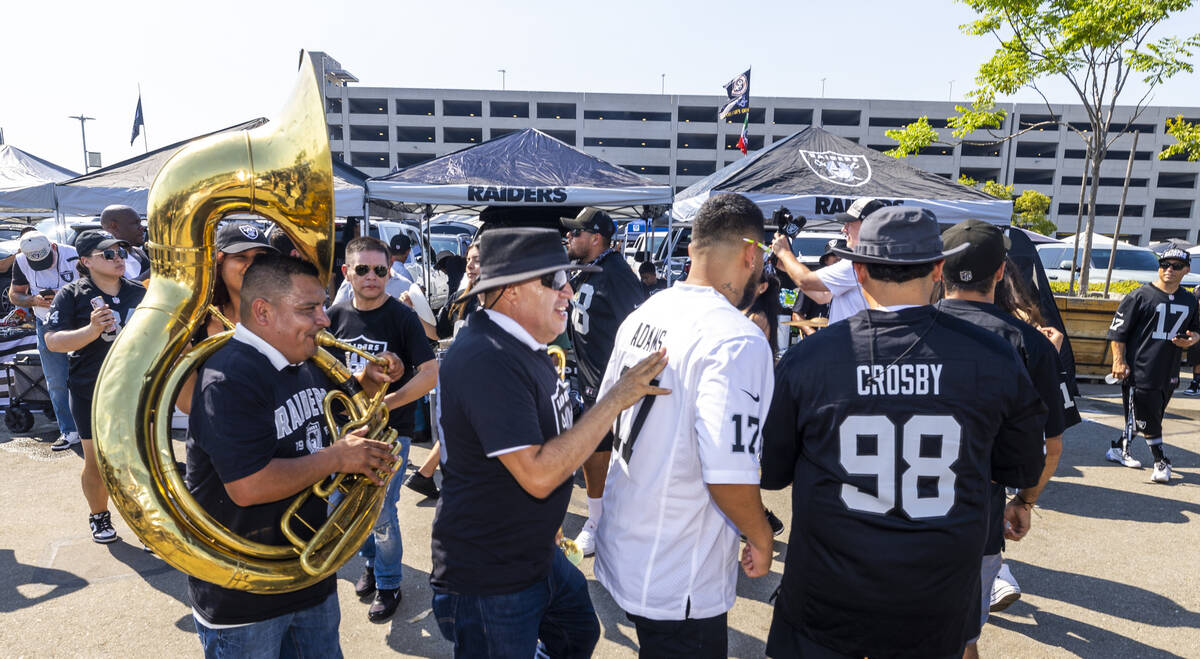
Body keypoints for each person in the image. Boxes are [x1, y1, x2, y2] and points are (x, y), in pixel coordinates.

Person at [761, 206, 1047, 659]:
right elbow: (1022, 464)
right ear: (937, 269)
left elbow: (772, 472)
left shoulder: (811, 358)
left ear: (857, 271)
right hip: (936, 596)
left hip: (827, 593)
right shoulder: (993, 355)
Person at [431, 227, 668, 658]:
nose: (569, 293)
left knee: (578, 634)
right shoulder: (488, 356)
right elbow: (539, 474)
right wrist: (615, 399)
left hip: (532, 552)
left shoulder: (523, 343)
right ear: (512, 291)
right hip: (492, 575)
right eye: (556, 280)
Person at [185, 254, 400, 657]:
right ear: (263, 312)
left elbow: (333, 418)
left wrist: (368, 385)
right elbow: (249, 486)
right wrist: (339, 460)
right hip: (245, 597)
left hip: (308, 577)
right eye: (309, 309)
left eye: (321, 306)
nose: (324, 319)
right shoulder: (228, 377)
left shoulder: (308, 360)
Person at [594, 193, 776, 657]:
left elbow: (599, 426)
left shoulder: (644, 313)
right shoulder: (735, 338)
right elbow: (728, 472)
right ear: (750, 253)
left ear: (693, 247)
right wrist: (760, 534)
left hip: (631, 544)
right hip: (680, 574)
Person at [934, 219, 1074, 657]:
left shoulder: (902, 328)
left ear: (940, 269)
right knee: (963, 640)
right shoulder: (1030, 344)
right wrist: (1025, 501)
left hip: (893, 510)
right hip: (977, 513)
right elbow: (1051, 446)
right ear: (1001, 272)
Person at [325, 237, 438, 622]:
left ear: (390, 272)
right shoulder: (335, 315)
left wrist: (386, 403)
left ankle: (390, 583)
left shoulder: (402, 317)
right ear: (347, 273)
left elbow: (430, 375)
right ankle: (371, 565)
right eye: (362, 269)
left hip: (392, 432)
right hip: (345, 434)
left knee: (381, 512)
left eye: (380, 270)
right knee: (346, 508)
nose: (372, 277)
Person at [43, 230, 146, 543]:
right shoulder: (72, 294)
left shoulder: (138, 292)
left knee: (139, 459)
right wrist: (91, 329)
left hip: (133, 388)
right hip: (91, 389)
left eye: (121, 252)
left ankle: (146, 523)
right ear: (86, 261)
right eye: (109, 254)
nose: (119, 258)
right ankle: (99, 516)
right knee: (97, 462)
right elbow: (53, 341)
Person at [563, 207, 647, 556]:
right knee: (592, 455)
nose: (568, 237)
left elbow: (641, 328)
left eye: (576, 233)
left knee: (612, 458)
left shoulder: (617, 273)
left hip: (612, 387)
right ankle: (597, 518)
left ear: (596, 238)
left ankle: (608, 522)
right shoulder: (587, 270)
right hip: (587, 383)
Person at [1105, 247, 1200, 482]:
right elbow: (1117, 332)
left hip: (1169, 368)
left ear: (1186, 270)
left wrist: (1192, 339)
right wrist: (1118, 361)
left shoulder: (1190, 299)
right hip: (1140, 368)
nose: (1169, 269)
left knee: (1147, 416)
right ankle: (1161, 461)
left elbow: (1196, 329)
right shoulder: (1139, 296)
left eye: (1176, 266)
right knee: (1147, 415)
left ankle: (1118, 449)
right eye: (1164, 264)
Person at [175, 222, 278, 415]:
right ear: (219, 264)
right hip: (220, 438)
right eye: (241, 257)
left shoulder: (288, 317)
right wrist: (181, 353)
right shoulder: (199, 322)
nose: (252, 265)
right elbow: (189, 405)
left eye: (260, 258)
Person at [409, 241, 483, 502]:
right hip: (458, 380)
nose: (471, 266)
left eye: (477, 260)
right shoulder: (460, 298)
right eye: (469, 261)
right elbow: (437, 334)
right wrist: (413, 312)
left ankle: (427, 475)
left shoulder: (503, 299)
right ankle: (429, 476)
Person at [9, 231, 79, 450]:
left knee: (89, 375)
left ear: (52, 246)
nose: (43, 265)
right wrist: (33, 300)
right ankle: (69, 431)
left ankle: (96, 427)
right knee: (56, 379)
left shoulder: (73, 255)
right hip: (46, 322)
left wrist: (65, 295)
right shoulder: (20, 261)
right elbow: (15, 294)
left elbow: (95, 284)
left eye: (46, 260)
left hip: (79, 320)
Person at [770, 198, 883, 323]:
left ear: (868, 225)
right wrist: (787, 267)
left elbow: (806, 281)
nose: (843, 229)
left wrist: (785, 253)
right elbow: (822, 297)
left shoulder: (860, 263)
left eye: (849, 223)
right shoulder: (877, 259)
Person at [791, 239, 841, 337]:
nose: (839, 258)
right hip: (819, 342)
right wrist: (813, 335)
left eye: (843, 255)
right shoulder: (813, 282)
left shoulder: (855, 283)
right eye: (834, 254)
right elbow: (796, 316)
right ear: (826, 260)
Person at [99, 204, 151, 283]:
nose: (142, 227)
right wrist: (155, 271)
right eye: (135, 223)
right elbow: (119, 290)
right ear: (114, 226)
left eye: (140, 223)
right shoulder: (105, 257)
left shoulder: (139, 252)